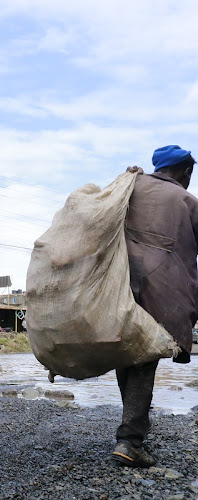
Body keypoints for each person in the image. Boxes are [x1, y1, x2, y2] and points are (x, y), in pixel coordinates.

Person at [112, 145, 198, 468]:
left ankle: (133, 428)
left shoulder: (131, 185)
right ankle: (130, 440)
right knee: (146, 357)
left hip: (120, 286)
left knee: (126, 354)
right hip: (161, 293)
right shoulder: (188, 202)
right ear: (186, 172)